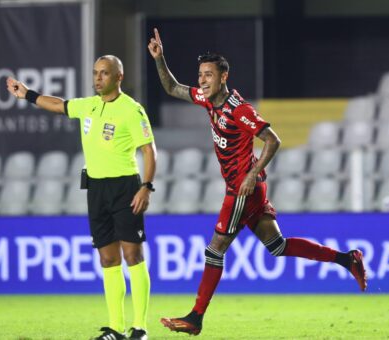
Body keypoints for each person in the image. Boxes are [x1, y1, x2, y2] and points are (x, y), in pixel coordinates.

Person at [147, 28, 367, 336]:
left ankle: (195, 318)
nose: (201, 80)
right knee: (277, 246)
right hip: (249, 186)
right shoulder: (208, 100)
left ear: (224, 77)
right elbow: (171, 87)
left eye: (208, 75)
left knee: (215, 250)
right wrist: (159, 58)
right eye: (200, 75)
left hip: (242, 188)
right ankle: (347, 259)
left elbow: (272, 140)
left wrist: (250, 175)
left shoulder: (240, 110)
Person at [6, 55, 154, 340]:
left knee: (133, 255)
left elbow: (149, 151)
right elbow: (59, 105)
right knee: (108, 259)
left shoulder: (131, 110)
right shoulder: (88, 105)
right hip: (96, 190)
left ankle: (141, 328)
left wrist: (146, 186)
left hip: (125, 187)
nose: (98, 78)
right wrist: (27, 95)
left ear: (118, 77)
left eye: (104, 73)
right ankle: (116, 329)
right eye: (96, 73)